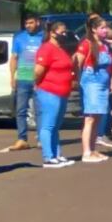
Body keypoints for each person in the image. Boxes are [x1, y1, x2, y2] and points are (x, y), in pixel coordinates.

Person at [34, 21, 75, 169]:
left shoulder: (61, 49)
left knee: (56, 126)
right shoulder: (46, 49)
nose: (64, 34)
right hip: (49, 92)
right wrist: (37, 85)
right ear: (52, 33)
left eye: (65, 32)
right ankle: (48, 157)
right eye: (61, 32)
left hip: (62, 92)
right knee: (48, 125)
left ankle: (56, 154)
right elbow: (38, 71)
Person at [74, 17, 112, 164]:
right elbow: (77, 62)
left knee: (98, 117)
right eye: (102, 28)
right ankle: (86, 152)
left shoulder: (105, 45)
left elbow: (109, 66)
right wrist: (79, 81)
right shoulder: (87, 44)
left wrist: (111, 82)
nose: (105, 30)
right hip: (91, 83)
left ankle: (92, 148)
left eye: (106, 28)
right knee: (90, 118)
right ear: (94, 29)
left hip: (103, 82)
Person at [8, 13, 42, 151]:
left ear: (37, 23)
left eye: (31, 23)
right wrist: (12, 76)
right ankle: (22, 139)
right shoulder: (19, 38)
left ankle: (41, 138)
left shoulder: (43, 37)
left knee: (40, 110)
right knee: (21, 110)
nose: (28, 26)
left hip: (39, 80)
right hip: (22, 78)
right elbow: (14, 58)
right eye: (26, 23)